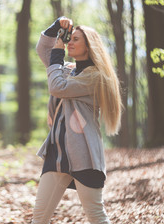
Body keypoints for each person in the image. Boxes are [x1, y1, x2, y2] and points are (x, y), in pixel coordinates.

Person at [31, 17, 122, 224]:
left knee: (95, 214)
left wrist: (58, 53)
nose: (70, 42)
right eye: (69, 39)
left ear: (89, 47)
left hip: (84, 153)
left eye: (76, 40)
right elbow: (43, 50)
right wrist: (56, 27)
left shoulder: (94, 77)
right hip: (57, 152)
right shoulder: (68, 70)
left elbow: (58, 87)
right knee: (39, 217)